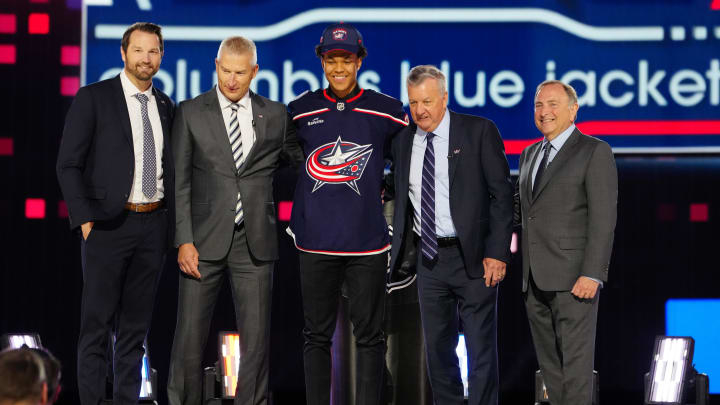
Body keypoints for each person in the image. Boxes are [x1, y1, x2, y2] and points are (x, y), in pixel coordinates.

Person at [167, 36, 303, 405]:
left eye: (240, 73)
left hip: (255, 243)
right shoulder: (191, 112)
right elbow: (179, 182)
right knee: (189, 342)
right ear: (216, 65)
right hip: (201, 241)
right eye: (225, 70)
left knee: (257, 343)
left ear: (254, 71)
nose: (231, 80)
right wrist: (183, 240)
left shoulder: (275, 115)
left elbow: (304, 162)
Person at [286, 22, 408, 405]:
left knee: (370, 338)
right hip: (316, 243)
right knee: (316, 336)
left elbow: (406, 164)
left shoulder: (387, 110)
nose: (339, 67)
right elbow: (289, 163)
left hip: (367, 244)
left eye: (347, 59)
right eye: (331, 59)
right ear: (322, 60)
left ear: (360, 61)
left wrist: (384, 187)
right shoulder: (300, 111)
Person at [56, 22, 174, 405]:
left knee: (135, 331)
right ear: (123, 54)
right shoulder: (94, 97)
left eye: (153, 51)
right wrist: (86, 221)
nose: (146, 58)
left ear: (161, 56)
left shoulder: (165, 105)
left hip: (152, 225)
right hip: (107, 226)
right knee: (96, 328)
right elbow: (67, 165)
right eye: (138, 50)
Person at [388, 65, 513, 405]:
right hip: (429, 260)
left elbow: (502, 197)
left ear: (444, 98)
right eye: (413, 103)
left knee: (479, 350)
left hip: (474, 258)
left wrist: (497, 252)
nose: (420, 111)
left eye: (427, 101)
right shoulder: (401, 142)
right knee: (439, 353)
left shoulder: (478, 132)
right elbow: (397, 191)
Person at [516, 80, 617, 405]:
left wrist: (593, 273)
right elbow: (525, 213)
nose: (544, 112)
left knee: (575, 370)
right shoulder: (530, 153)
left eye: (553, 104)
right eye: (538, 105)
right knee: (551, 370)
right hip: (535, 280)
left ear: (573, 110)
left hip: (575, 279)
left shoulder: (593, 151)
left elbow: (603, 218)